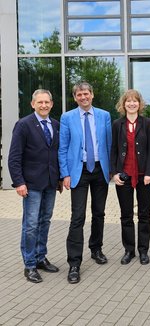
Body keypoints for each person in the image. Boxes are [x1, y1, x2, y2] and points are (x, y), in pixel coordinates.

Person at [59, 81, 112, 284]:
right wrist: (65, 173)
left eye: (86, 93)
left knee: (99, 212)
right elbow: (63, 148)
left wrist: (112, 171)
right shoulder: (67, 117)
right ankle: (74, 263)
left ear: (92, 94)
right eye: (79, 94)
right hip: (78, 171)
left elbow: (109, 144)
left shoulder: (104, 115)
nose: (83, 97)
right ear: (75, 98)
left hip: (100, 170)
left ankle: (96, 249)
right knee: (77, 217)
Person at [8, 89, 62, 283]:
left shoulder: (55, 125)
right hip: (31, 184)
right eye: (40, 102)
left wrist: (59, 178)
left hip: (50, 183)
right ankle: (29, 264)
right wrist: (19, 182)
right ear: (33, 104)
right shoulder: (23, 125)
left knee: (45, 221)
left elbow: (56, 154)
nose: (44, 105)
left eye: (47, 102)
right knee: (30, 224)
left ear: (52, 104)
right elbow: (14, 157)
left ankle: (40, 257)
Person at [111, 89, 150, 265]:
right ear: (123, 104)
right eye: (128, 101)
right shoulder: (117, 124)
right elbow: (113, 149)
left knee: (144, 215)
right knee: (126, 215)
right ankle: (129, 250)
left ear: (139, 103)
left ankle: (143, 250)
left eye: (135, 101)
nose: (131, 103)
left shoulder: (147, 123)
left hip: (144, 176)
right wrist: (114, 173)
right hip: (124, 175)